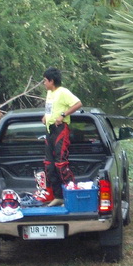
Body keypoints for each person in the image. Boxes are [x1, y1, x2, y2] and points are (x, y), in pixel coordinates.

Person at [41, 67, 82, 206]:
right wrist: (45, 116)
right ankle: (58, 196)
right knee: (49, 165)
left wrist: (63, 115)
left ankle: (71, 195)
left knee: (61, 164)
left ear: (52, 81)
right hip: (49, 130)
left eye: (45, 80)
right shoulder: (49, 93)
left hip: (60, 129)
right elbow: (50, 108)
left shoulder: (63, 92)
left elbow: (78, 103)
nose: (44, 83)